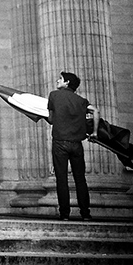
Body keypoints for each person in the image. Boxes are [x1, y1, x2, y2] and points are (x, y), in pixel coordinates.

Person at [47, 72, 100, 221]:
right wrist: (94, 132)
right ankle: (85, 213)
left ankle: (65, 214)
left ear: (67, 83)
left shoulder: (54, 95)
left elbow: (51, 119)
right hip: (77, 144)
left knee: (61, 179)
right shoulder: (81, 101)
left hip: (60, 143)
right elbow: (96, 111)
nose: (57, 80)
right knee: (80, 179)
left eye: (60, 79)